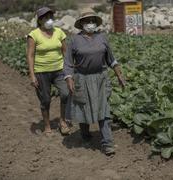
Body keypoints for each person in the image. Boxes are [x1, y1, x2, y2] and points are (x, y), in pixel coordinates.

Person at [64, 12, 125, 155]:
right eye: (87, 21)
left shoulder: (102, 38)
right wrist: (69, 78)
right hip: (82, 78)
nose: (90, 23)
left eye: (92, 21)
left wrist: (119, 75)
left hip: (100, 78)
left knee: (103, 110)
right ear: (81, 24)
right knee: (83, 107)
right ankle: (85, 135)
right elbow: (67, 62)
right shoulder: (75, 40)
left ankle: (107, 143)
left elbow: (111, 59)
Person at [26, 7, 70, 135]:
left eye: (50, 17)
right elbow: (30, 55)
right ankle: (47, 126)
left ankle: (62, 122)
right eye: (45, 18)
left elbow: (65, 52)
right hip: (41, 72)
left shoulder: (59, 32)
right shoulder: (34, 35)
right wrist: (32, 75)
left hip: (59, 70)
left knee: (65, 94)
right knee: (45, 100)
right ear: (39, 20)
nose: (49, 20)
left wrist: (68, 70)